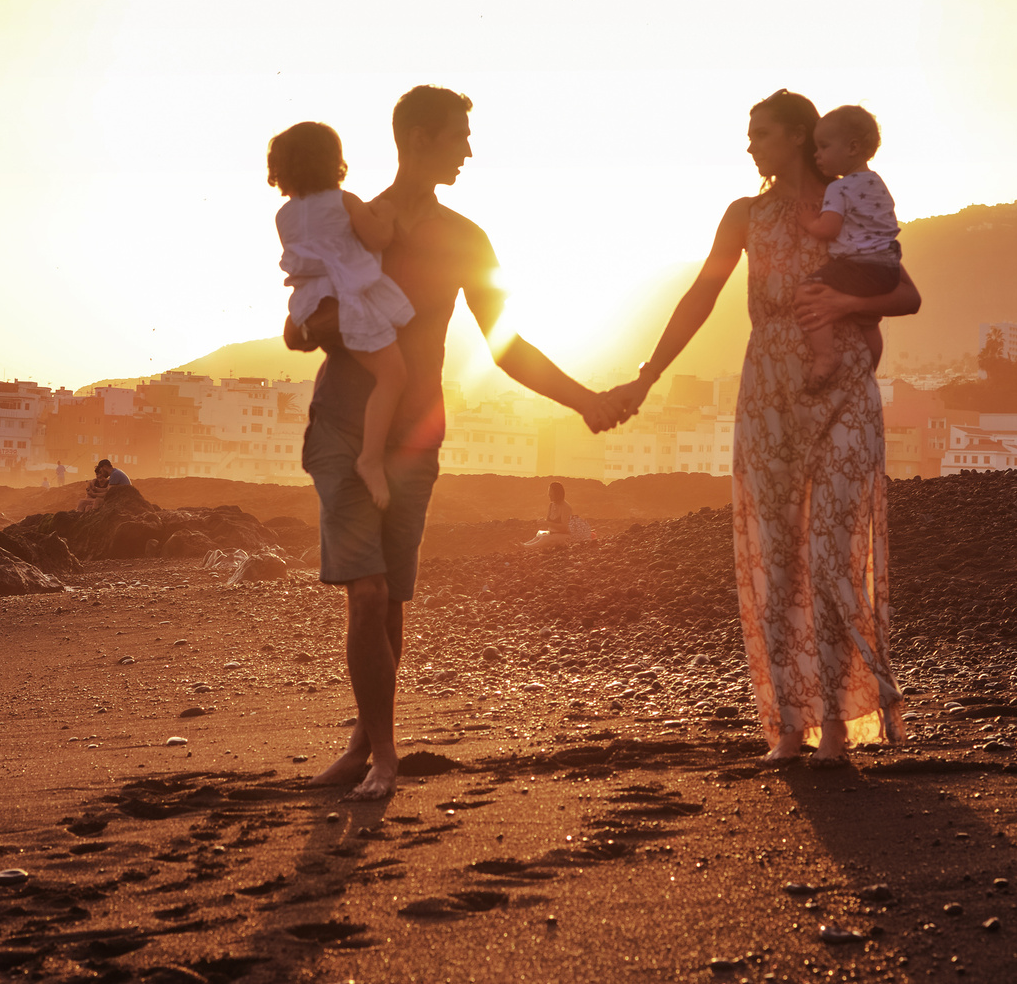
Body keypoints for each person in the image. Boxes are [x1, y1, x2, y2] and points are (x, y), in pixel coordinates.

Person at [284, 84, 622, 801]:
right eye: (458, 135)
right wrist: (331, 326)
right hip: (344, 425)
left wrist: (584, 400)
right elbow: (297, 327)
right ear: (418, 138)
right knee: (366, 593)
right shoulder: (348, 222)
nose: (469, 149)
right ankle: (384, 757)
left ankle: (363, 745)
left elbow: (505, 345)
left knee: (390, 596)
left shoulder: (467, 239)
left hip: (417, 435)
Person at [607, 89, 921, 767]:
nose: (750, 145)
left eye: (762, 133)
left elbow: (904, 291)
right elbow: (701, 294)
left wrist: (843, 302)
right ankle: (789, 723)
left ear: (799, 136)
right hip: (770, 395)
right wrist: (648, 374)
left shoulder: (847, 200)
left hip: (843, 387)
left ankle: (839, 724)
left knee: (833, 555)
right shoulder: (745, 215)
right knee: (779, 560)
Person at [270, 120, 413, 510]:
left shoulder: (283, 216)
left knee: (348, 355)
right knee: (393, 376)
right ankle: (370, 458)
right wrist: (384, 214)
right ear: (332, 161)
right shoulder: (344, 201)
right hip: (347, 303)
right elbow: (378, 238)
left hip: (308, 308)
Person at [796, 105, 901, 394]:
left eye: (824, 146)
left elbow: (828, 228)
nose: (817, 154)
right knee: (869, 323)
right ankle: (870, 370)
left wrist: (809, 221)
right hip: (888, 266)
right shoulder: (878, 183)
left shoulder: (839, 188)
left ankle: (825, 356)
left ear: (852, 148)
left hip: (858, 264)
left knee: (808, 291)